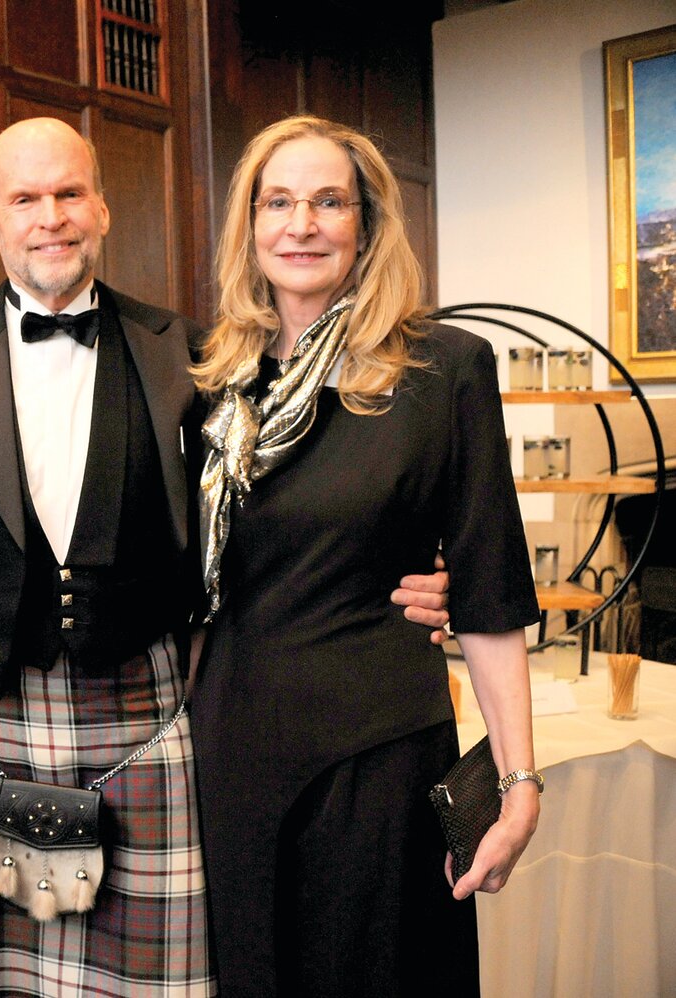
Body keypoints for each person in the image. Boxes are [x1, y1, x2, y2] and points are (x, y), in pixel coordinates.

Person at [0, 117, 450, 996]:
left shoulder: (200, 357)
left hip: (140, 718)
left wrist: (421, 575)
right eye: (24, 198)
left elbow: (295, 506)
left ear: (101, 210)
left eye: (68, 194)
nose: (49, 216)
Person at [189, 114, 542, 995]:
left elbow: (490, 588)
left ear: (368, 225)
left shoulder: (442, 369)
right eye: (277, 201)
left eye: (327, 202)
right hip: (226, 757)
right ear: (249, 226)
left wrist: (519, 780)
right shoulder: (206, 380)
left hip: (376, 758)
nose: (300, 224)